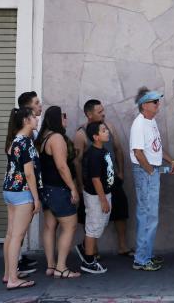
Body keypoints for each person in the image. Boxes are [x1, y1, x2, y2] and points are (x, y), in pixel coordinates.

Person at [73, 99, 130, 260]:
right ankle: (92, 252)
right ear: (89, 114)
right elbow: (76, 161)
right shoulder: (81, 134)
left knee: (120, 211)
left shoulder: (109, 128)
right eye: (99, 112)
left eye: (103, 110)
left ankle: (123, 246)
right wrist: (79, 183)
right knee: (91, 217)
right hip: (93, 184)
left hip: (113, 180)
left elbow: (118, 149)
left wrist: (120, 173)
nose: (103, 114)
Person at [129, 87, 174, 271]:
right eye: (154, 101)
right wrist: (150, 172)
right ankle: (141, 259)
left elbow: (155, 147)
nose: (158, 104)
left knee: (150, 216)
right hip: (145, 173)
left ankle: (146, 255)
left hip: (150, 171)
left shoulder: (151, 121)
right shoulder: (139, 124)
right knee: (147, 216)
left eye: (158, 101)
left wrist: (170, 160)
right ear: (144, 105)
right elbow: (138, 152)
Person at [36, 107, 80, 279]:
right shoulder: (57, 138)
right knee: (70, 226)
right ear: (56, 119)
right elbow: (62, 166)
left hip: (46, 189)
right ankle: (61, 268)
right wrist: (73, 188)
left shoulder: (43, 138)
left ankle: (50, 265)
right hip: (58, 189)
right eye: (64, 117)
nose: (66, 120)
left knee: (49, 226)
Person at [1, 107, 42, 291]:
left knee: (11, 234)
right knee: (18, 236)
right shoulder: (25, 142)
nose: (37, 118)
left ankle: (8, 274)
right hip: (23, 191)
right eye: (34, 116)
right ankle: (13, 279)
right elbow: (29, 173)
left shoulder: (14, 140)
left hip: (9, 189)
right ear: (26, 120)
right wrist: (36, 198)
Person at [80, 121, 114, 275]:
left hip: (105, 193)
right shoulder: (93, 154)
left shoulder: (103, 150)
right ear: (96, 137)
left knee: (100, 223)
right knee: (93, 227)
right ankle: (88, 261)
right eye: (103, 130)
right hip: (96, 197)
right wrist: (103, 200)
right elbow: (95, 179)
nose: (107, 131)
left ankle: (84, 247)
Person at [16, 91, 42, 274]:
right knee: (17, 230)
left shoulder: (30, 132)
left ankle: (18, 258)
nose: (40, 106)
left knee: (19, 230)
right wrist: (35, 196)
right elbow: (27, 169)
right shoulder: (23, 136)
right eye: (37, 103)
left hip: (25, 187)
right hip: (22, 188)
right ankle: (14, 265)